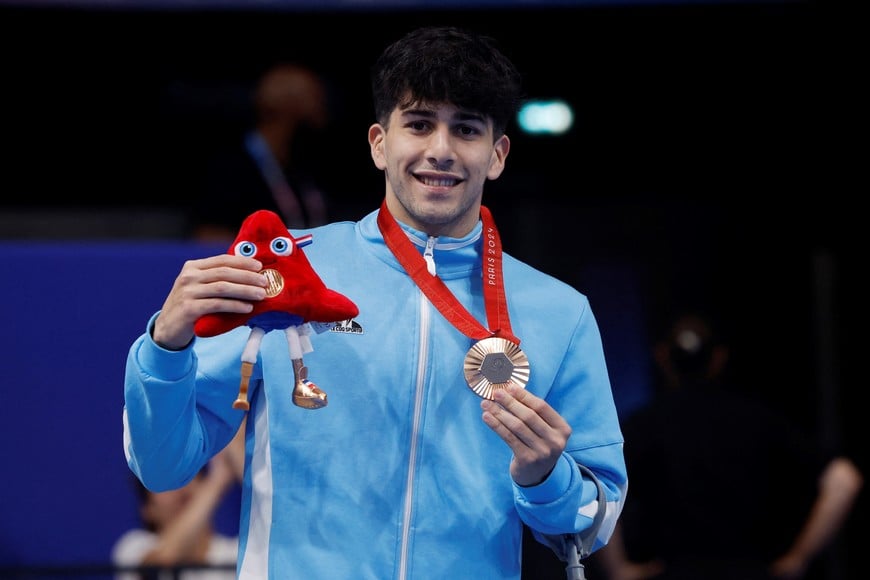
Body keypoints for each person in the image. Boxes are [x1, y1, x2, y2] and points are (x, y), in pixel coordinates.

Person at [122, 26, 627, 579]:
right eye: (418, 124)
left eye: (466, 129)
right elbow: (163, 464)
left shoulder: (560, 310)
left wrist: (545, 475)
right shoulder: (286, 272)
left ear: (497, 154)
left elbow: (595, 521)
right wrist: (165, 347)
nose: (441, 149)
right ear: (379, 144)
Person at [591, 309, 863, 580]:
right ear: (719, 357)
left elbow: (599, 486)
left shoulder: (643, 424)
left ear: (663, 357)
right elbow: (843, 479)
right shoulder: (758, 418)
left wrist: (618, 569)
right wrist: (798, 559)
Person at [188, 62, 332, 242]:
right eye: (315, 100)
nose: (322, 113)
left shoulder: (305, 167)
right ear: (288, 106)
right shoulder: (232, 169)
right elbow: (209, 236)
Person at [112, 441, 242, 580]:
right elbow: (162, 563)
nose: (179, 488)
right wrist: (219, 479)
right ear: (148, 510)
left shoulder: (237, 554)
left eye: (186, 476)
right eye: (164, 483)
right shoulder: (133, 548)